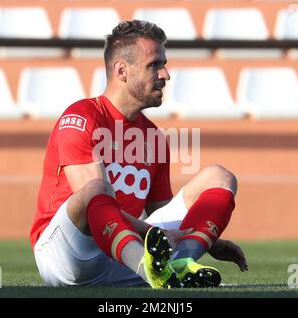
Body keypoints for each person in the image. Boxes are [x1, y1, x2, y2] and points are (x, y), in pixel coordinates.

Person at [30, 20, 248, 288]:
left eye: (164, 64)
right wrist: (154, 233)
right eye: (154, 64)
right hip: (70, 258)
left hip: (123, 252)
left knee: (219, 177)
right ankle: (150, 269)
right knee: (96, 189)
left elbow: (161, 210)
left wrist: (201, 236)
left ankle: (177, 266)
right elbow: (91, 203)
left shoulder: (153, 137)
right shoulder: (82, 116)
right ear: (121, 70)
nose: (165, 74)